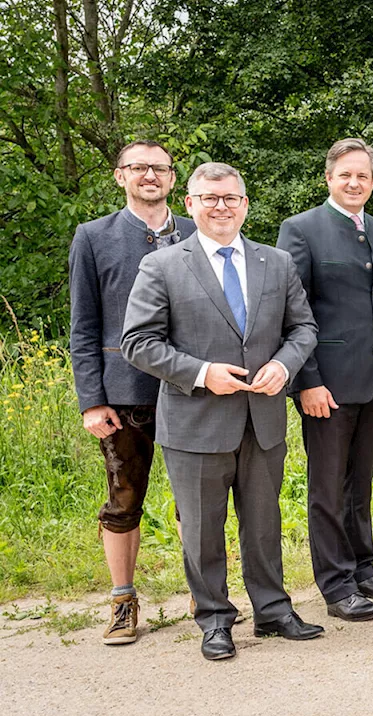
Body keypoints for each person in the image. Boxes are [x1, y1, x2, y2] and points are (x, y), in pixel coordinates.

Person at [121, 162, 322, 660]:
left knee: (263, 524)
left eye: (230, 198)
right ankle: (214, 619)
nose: (220, 207)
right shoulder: (163, 265)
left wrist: (284, 363)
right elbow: (137, 342)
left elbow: (304, 329)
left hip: (264, 420)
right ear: (189, 204)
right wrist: (200, 372)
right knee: (203, 530)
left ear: (245, 205)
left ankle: (274, 611)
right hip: (195, 421)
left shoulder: (275, 262)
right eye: (209, 198)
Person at [277, 139, 373, 623]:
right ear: (329, 178)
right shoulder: (301, 230)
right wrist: (305, 381)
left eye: (364, 176)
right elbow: (292, 312)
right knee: (328, 487)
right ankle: (335, 586)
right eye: (345, 175)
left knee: (361, 481)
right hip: (326, 384)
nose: (354, 183)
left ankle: (362, 567)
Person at [68, 140, 196, 645]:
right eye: (139, 167)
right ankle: (123, 600)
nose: (150, 175)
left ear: (172, 178)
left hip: (194, 387)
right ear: (120, 176)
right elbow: (83, 325)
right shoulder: (94, 237)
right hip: (124, 394)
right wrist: (91, 399)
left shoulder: (197, 230)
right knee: (123, 500)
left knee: (198, 500)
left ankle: (203, 594)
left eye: (160, 168)